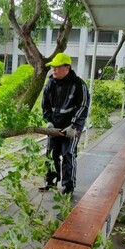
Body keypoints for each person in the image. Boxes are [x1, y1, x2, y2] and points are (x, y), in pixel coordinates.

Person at [40, 53, 90, 195]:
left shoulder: (79, 85)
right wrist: (49, 121)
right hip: (54, 126)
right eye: (52, 68)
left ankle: (68, 187)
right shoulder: (50, 84)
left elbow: (83, 106)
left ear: (67, 68)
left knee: (68, 154)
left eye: (57, 67)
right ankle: (50, 182)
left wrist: (73, 126)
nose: (53, 70)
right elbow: (45, 106)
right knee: (51, 154)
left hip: (72, 128)